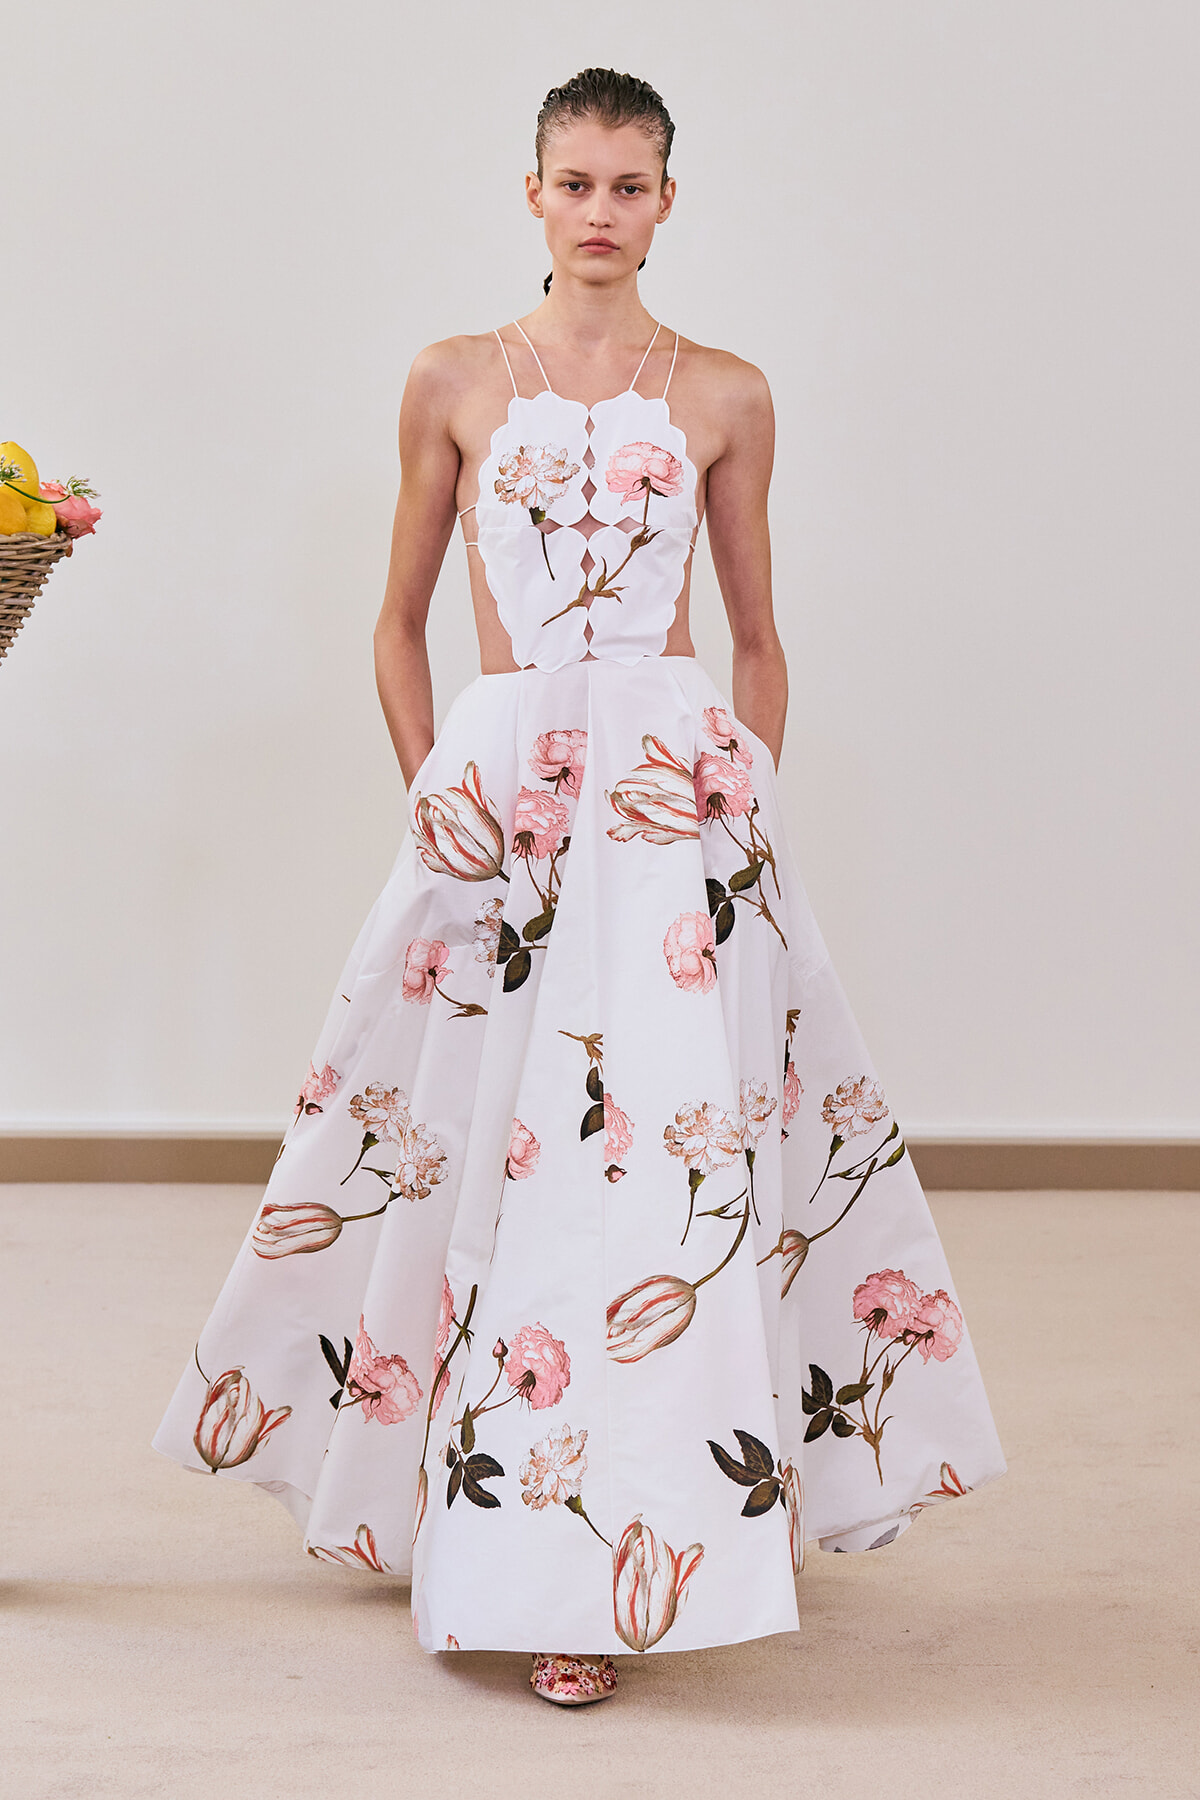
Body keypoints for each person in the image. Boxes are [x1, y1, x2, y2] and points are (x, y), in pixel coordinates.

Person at [154, 68, 1004, 1707]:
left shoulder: (730, 395)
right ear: (530, 194)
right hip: (505, 805)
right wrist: (438, 803)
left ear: (669, 200)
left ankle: (634, 1545)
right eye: (575, 183)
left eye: (631, 185)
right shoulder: (456, 380)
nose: (601, 211)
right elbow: (397, 620)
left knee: (656, 1179)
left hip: (676, 815)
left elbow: (755, 634)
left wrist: (732, 820)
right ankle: (480, 1516)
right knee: (467, 1146)